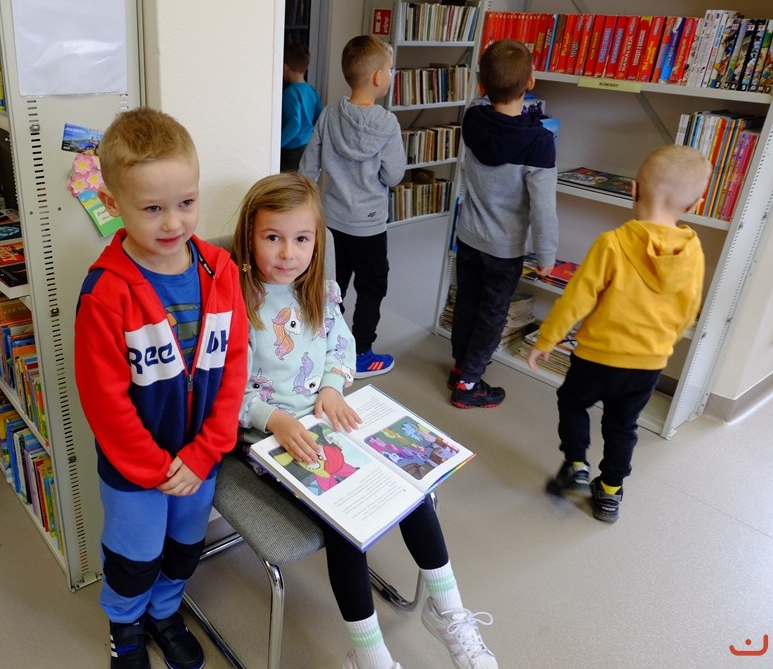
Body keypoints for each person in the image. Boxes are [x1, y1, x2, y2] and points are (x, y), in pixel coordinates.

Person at [232, 172, 497, 669]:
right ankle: (370, 655)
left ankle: (449, 613)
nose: (288, 253)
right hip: (267, 437)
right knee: (346, 525)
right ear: (250, 236)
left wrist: (332, 386)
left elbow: (341, 347)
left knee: (412, 485)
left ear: (317, 240)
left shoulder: (320, 291)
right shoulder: (236, 304)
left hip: (328, 418)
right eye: (273, 238)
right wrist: (274, 420)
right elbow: (225, 392)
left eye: (302, 239)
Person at [73, 107, 249, 669]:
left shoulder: (221, 270)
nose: (173, 223)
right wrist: (153, 467)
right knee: (135, 556)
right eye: (152, 209)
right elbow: (103, 400)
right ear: (112, 204)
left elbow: (235, 366)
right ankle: (125, 627)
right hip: (135, 467)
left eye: (186, 203)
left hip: (199, 457)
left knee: (184, 546)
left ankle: (165, 611)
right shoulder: (106, 293)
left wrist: (204, 452)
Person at [528, 145, 709, 523]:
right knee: (623, 426)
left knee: (572, 402)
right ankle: (610, 492)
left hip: (596, 357)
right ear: (695, 205)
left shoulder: (612, 243)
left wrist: (547, 339)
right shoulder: (693, 252)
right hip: (648, 364)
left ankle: (576, 466)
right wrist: (663, 343)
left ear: (634, 189)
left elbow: (576, 299)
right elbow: (690, 310)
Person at [449, 38, 558, 408]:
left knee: (467, 303)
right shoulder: (539, 142)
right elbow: (543, 208)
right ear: (531, 82)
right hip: (504, 249)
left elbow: (488, 114)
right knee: (492, 315)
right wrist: (546, 254)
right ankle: (468, 384)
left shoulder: (473, 119)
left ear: (482, 85)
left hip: (469, 237)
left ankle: (460, 366)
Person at [299, 34, 406, 379]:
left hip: (331, 222)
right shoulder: (387, 124)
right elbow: (394, 175)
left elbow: (308, 168)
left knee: (332, 287)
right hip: (370, 227)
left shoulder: (330, 114)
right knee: (372, 289)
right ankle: (360, 354)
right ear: (377, 77)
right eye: (390, 69)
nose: (391, 74)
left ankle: (328, 347)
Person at [281, 41, 323, 173]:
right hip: (308, 145)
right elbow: (320, 116)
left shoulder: (290, 92)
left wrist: (277, 143)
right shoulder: (310, 90)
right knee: (301, 181)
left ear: (285, 67)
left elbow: (295, 124)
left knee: (288, 182)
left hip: (292, 149)